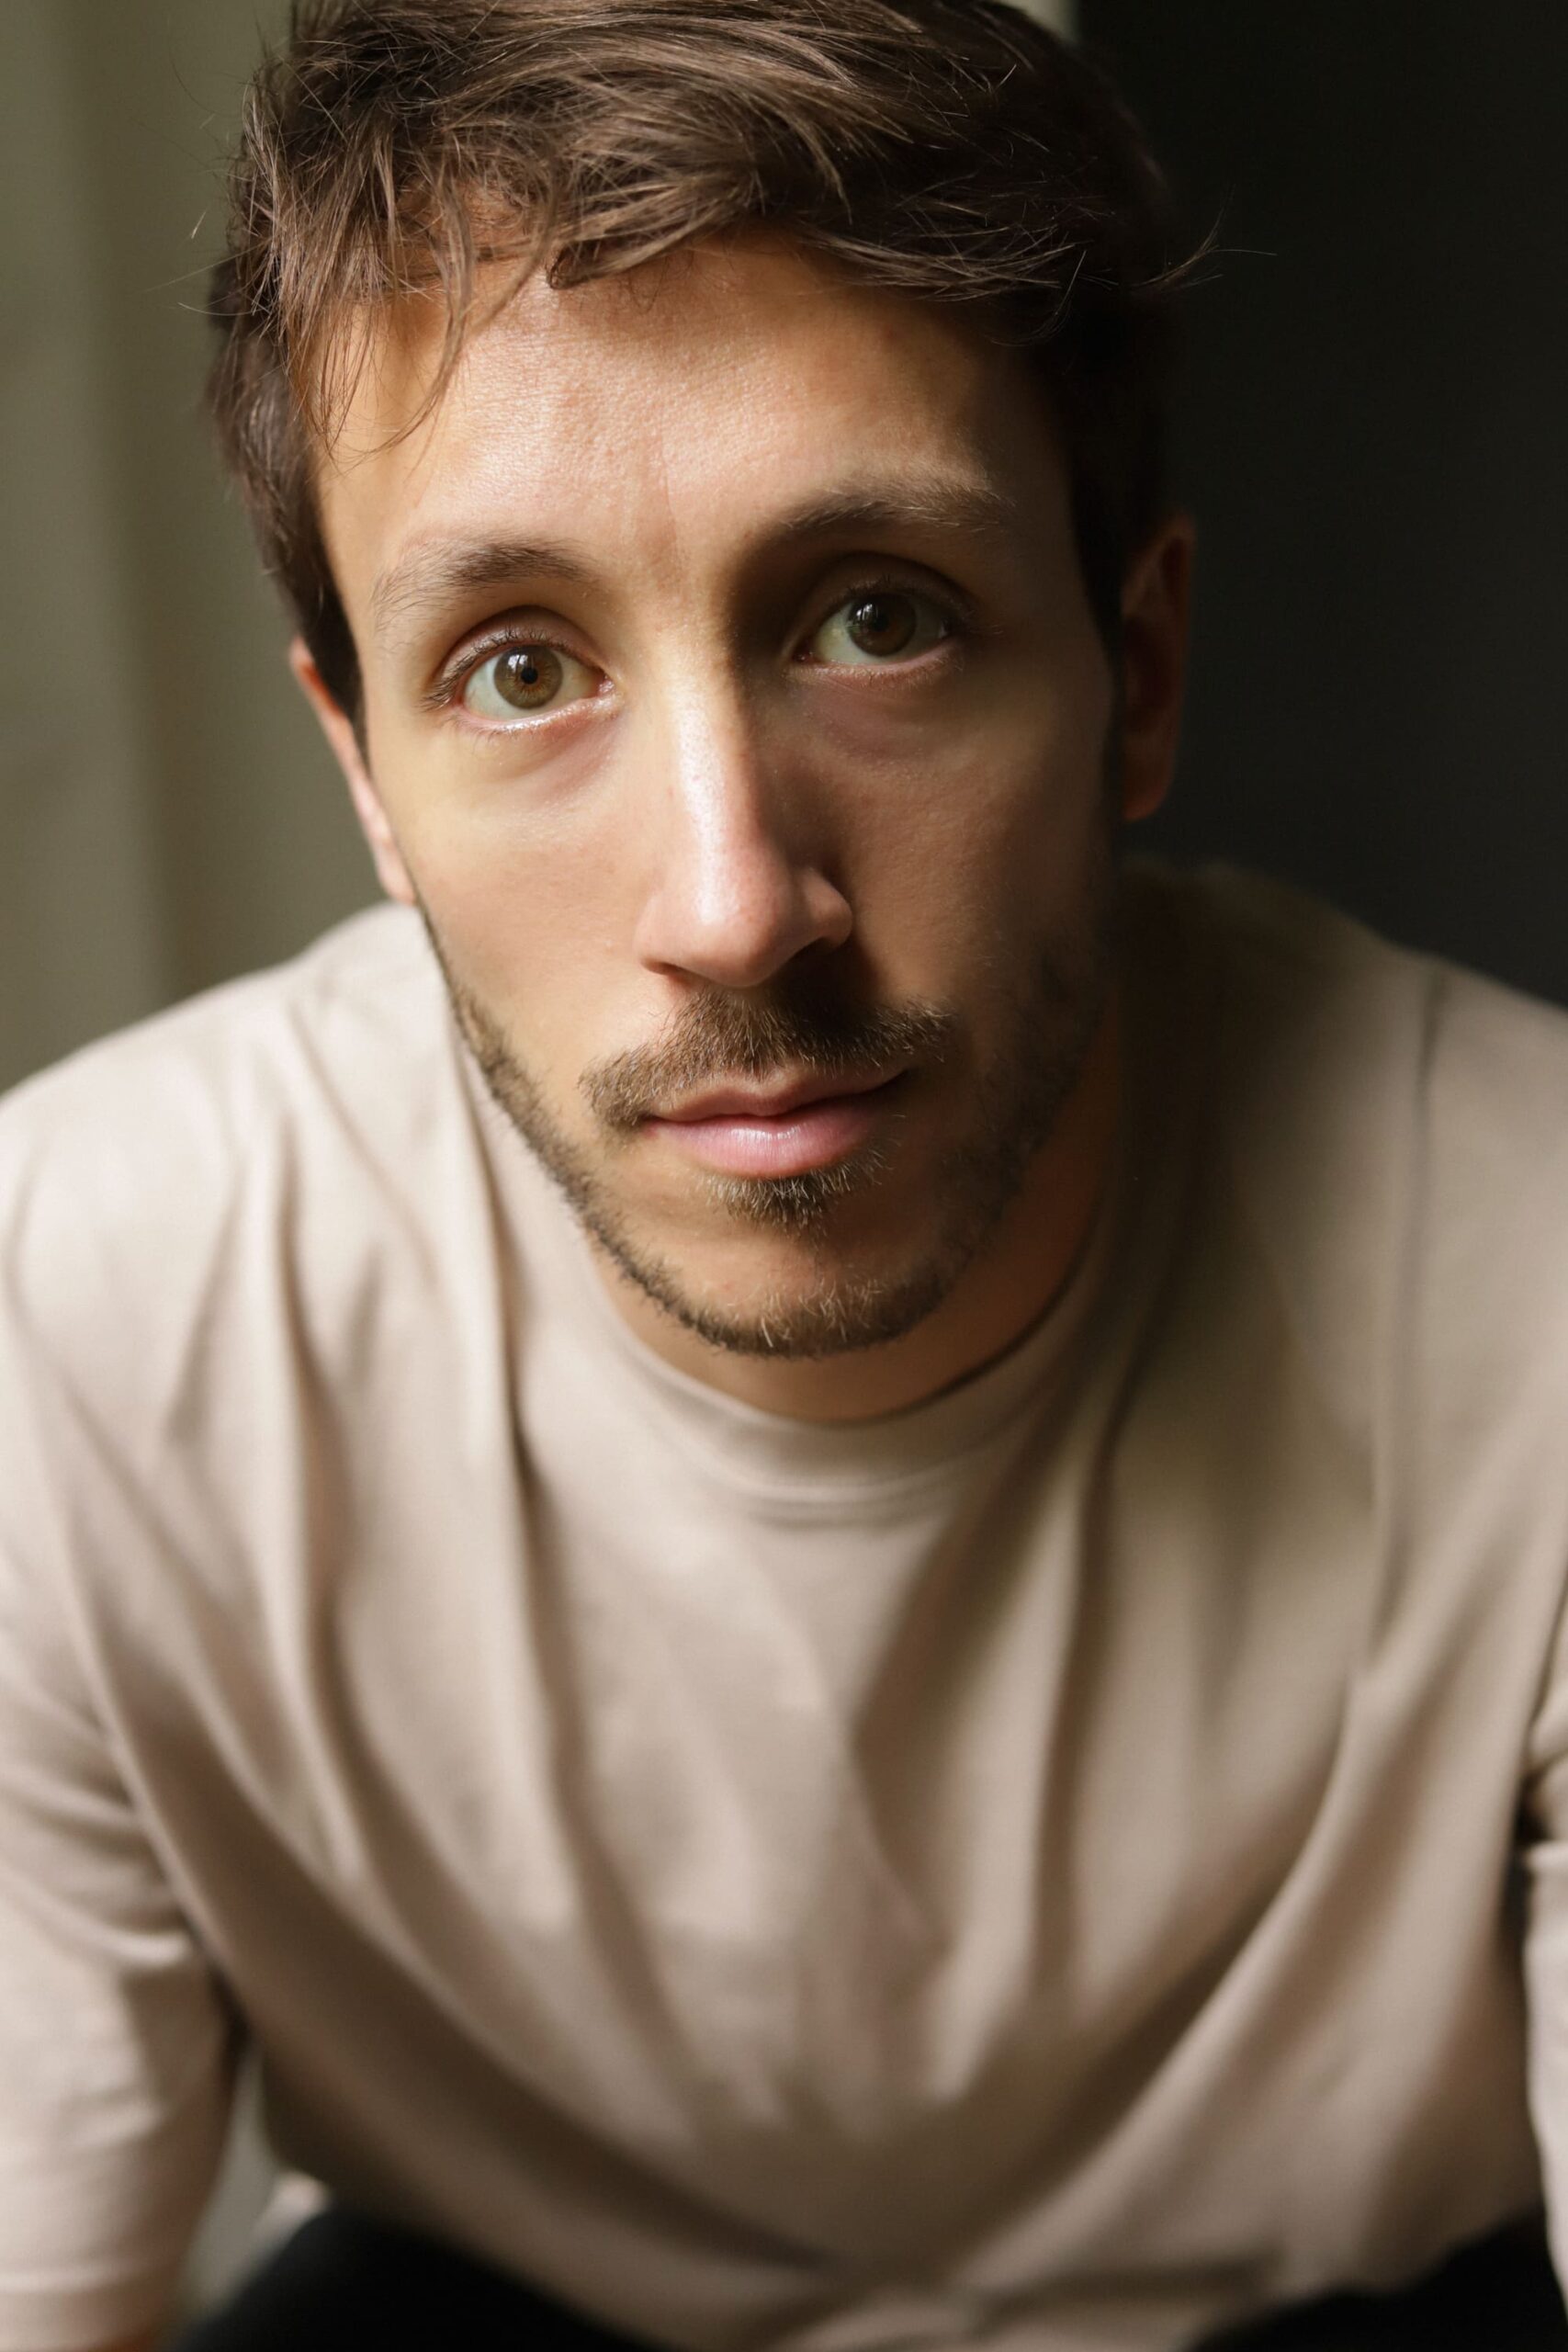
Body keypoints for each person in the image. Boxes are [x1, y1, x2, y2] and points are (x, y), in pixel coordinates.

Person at [4, 3, 1568, 2347]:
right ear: (363, 771)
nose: (733, 906)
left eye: (873, 618)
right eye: (519, 669)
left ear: (1136, 669)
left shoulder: (1535, 1281)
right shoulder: (78, 1319)